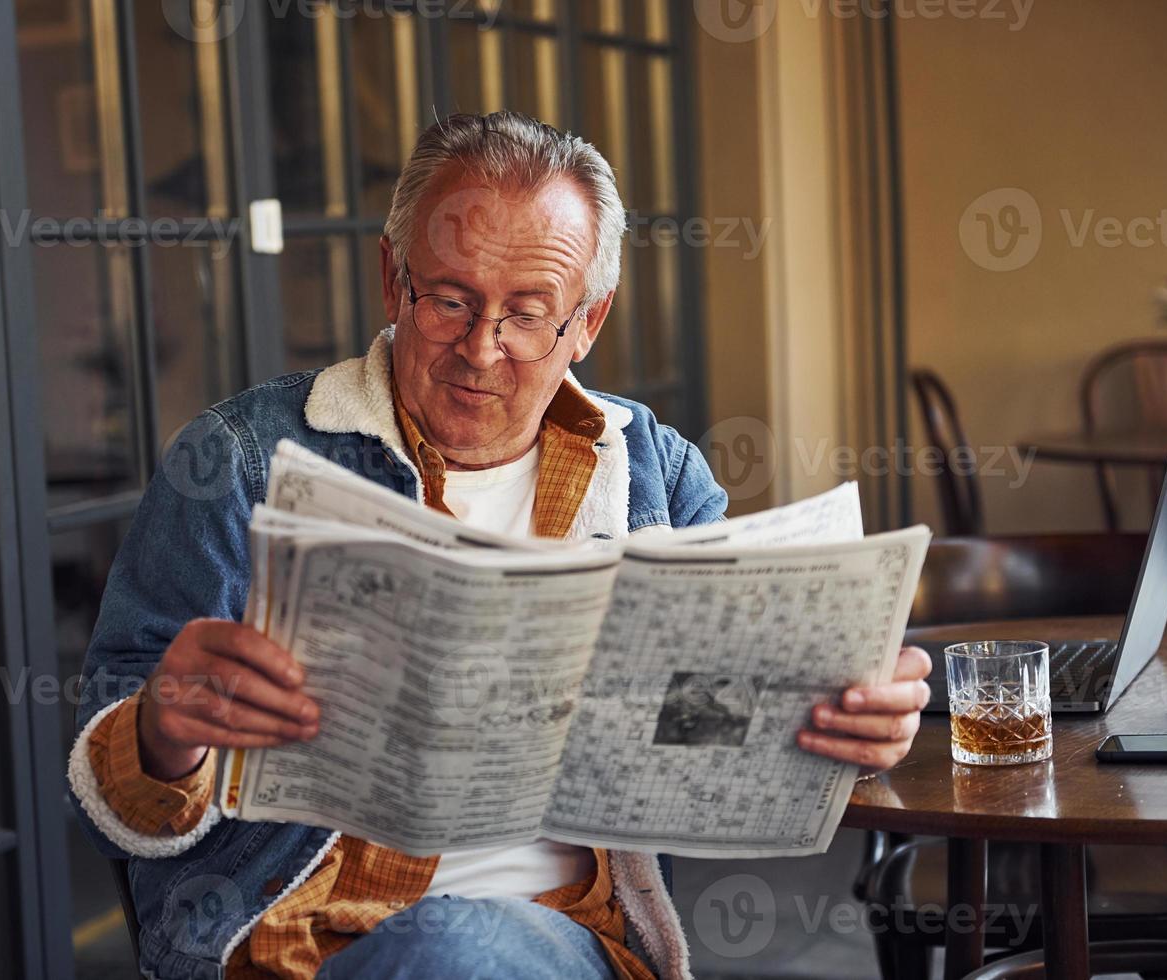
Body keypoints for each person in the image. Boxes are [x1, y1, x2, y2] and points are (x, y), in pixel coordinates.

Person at [69, 111, 931, 980]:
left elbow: (727, 732)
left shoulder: (654, 480)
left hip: (560, 943)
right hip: (293, 944)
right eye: (449, 301)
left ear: (587, 323)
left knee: (455, 949)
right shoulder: (238, 463)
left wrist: (845, 726)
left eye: (527, 315)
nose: (481, 349)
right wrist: (162, 730)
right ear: (390, 277)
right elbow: (106, 797)